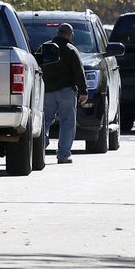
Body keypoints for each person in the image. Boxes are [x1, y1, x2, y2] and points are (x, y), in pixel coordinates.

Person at [42, 23, 88, 164]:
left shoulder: (45, 48)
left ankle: (40, 145)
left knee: (44, 122)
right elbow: (78, 72)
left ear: (57, 32)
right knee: (67, 122)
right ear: (70, 35)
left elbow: (37, 67)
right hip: (66, 92)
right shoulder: (71, 49)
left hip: (47, 92)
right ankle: (63, 155)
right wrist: (83, 91)